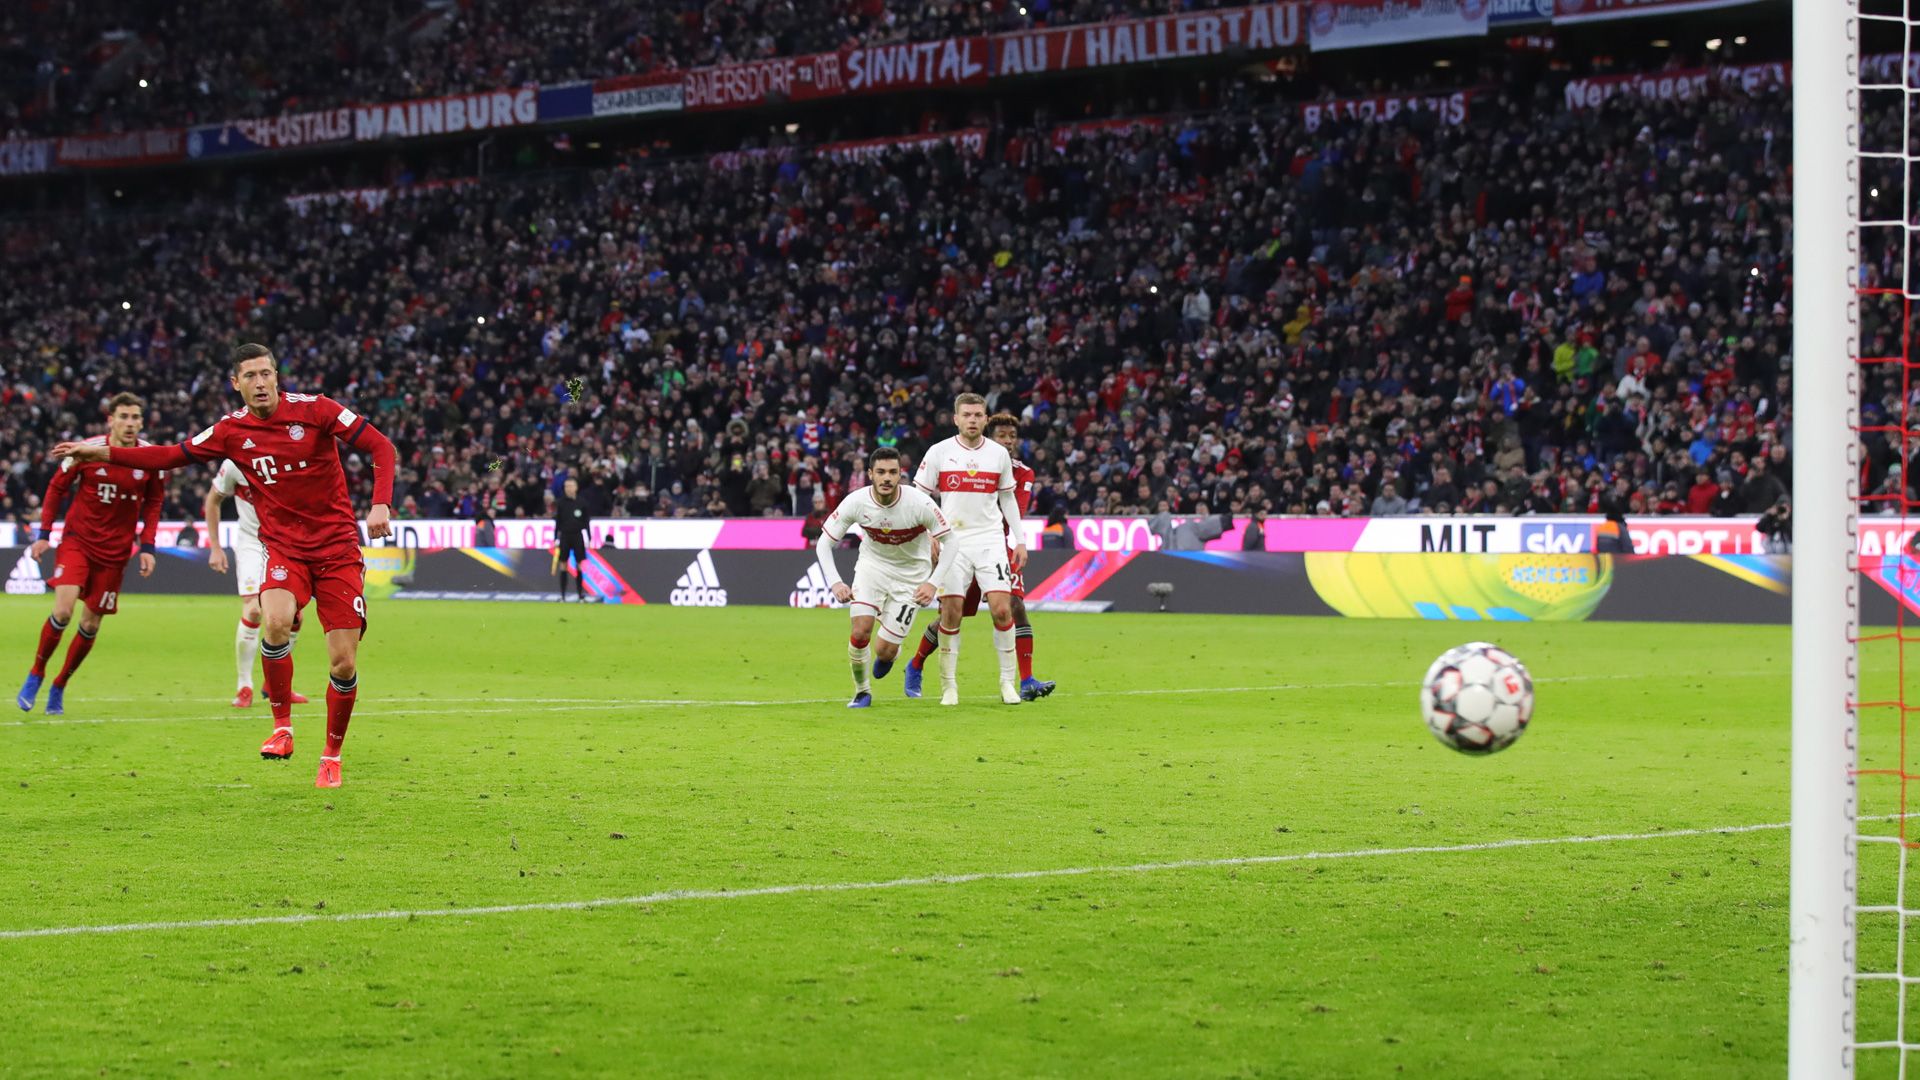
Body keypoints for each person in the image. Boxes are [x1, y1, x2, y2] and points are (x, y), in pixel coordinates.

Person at [53, 344, 395, 788]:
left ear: (277, 377)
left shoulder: (317, 410)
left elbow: (380, 446)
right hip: (285, 549)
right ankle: (282, 728)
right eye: (249, 376)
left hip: (338, 550)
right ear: (236, 384)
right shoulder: (231, 431)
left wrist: (381, 503)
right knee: (272, 621)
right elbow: (170, 456)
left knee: (343, 664)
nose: (259, 383)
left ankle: (332, 754)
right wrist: (98, 454)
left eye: (265, 374)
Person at [16, 392, 164, 716]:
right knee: (64, 611)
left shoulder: (150, 458)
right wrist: (43, 535)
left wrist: (148, 546)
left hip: (115, 553)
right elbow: (56, 488)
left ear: (142, 421)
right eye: (123, 416)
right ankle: (37, 673)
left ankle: (60, 684)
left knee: (90, 625)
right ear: (110, 420)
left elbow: (153, 502)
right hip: (78, 542)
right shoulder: (86, 451)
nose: (130, 423)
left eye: (135, 417)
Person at [905, 413, 1054, 700]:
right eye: (1002, 435)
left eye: (1012, 436)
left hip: (995, 544)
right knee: (952, 614)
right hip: (960, 544)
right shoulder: (959, 456)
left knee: (1013, 605)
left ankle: (1025, 680)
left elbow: (1014, 511)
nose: (1008, 441)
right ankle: (916, 664)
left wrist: (1016, 541)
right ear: (988, 434)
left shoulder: (1023, 472)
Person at [813, 448, 958, 708]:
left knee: (884, 652)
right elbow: (824, 544)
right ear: (870, 474)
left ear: (901, 474)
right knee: (860, 632)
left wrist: (932, 582)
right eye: (880, 472)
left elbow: (952, 542)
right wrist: (835, 581)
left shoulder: (919, 503)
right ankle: (862, 692)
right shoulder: (856, 501)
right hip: (873, 569)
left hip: (911, 578)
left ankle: (891, 652)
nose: (887, 478)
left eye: (893, 472)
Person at [205, 458, 309, 709]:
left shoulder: (289, 456)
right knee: (253, 609)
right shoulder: (234, 463)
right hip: (252, 543)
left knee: (294, 617)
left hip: (285, 544)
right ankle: (244, 686)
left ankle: (273, 684)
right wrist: (216, 547)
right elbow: (213, 500)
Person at [553, 477, 591, 602]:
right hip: (564, 535)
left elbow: (586, 522)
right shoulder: (561, 503)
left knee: (579, 564)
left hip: (577, 536)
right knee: (563, 564)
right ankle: (563, 596)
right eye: (566, 486)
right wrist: (555, 538)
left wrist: (589, 538)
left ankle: (580, 596)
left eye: (570, 486)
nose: (568, 488)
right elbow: (557, 522)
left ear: (576, 487)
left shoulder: (582, 503)